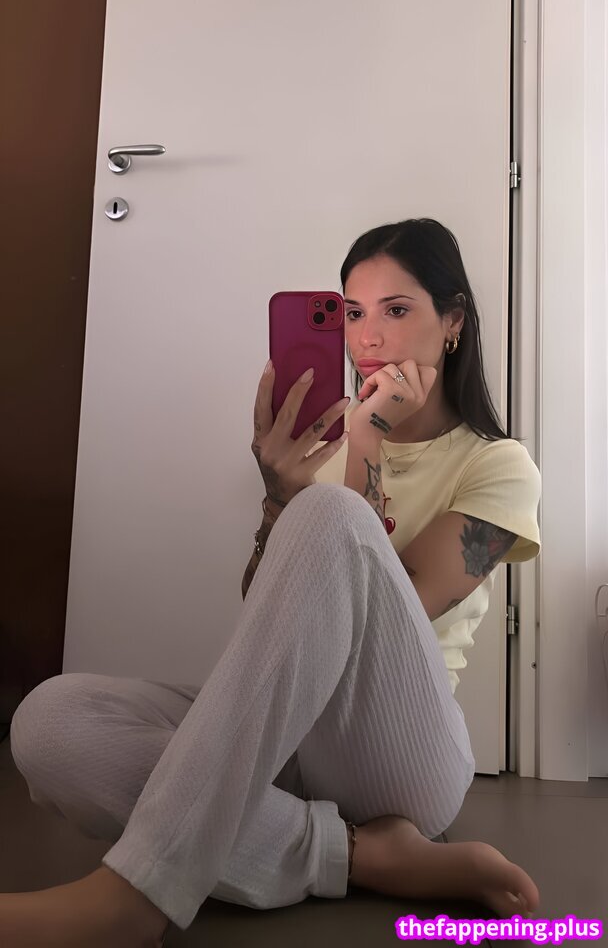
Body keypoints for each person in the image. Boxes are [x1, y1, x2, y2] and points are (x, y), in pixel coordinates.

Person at [3, 218, 541, 947]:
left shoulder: (498, 465)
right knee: (50, 723)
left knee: (331, 514)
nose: (368, 336)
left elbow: (396, 609)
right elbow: (272, 617)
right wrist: (278, 501)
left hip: (401, 759)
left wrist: (363, 443)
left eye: (396, 309)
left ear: (453, 323)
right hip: (292, 743)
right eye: (353, 312)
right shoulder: (326, 453)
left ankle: (131, 900)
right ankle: (360, 855)